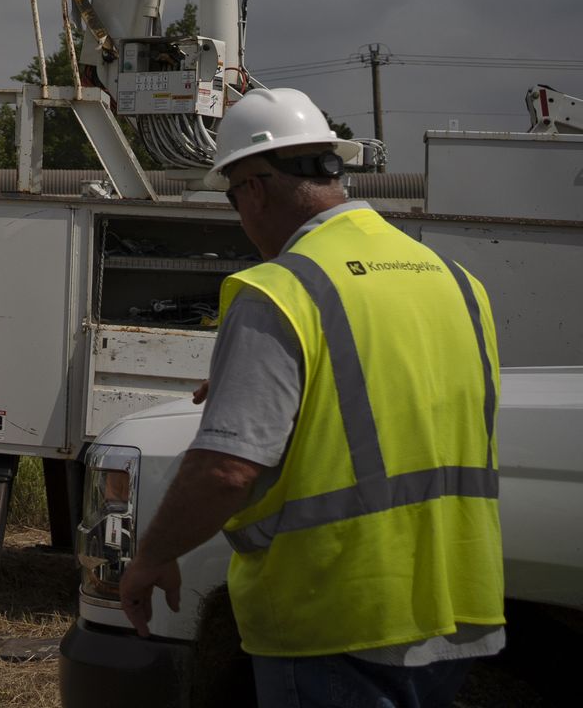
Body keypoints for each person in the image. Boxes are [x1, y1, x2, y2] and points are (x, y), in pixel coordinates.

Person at [117, 88, 503, 708]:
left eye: (231, 197)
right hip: (457, 606)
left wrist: (152, 556)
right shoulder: (454, 281)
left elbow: (226, 469)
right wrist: (293, 386)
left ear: (255, 190)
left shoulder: (281, 290)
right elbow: (408, 399)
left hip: (336, 616)